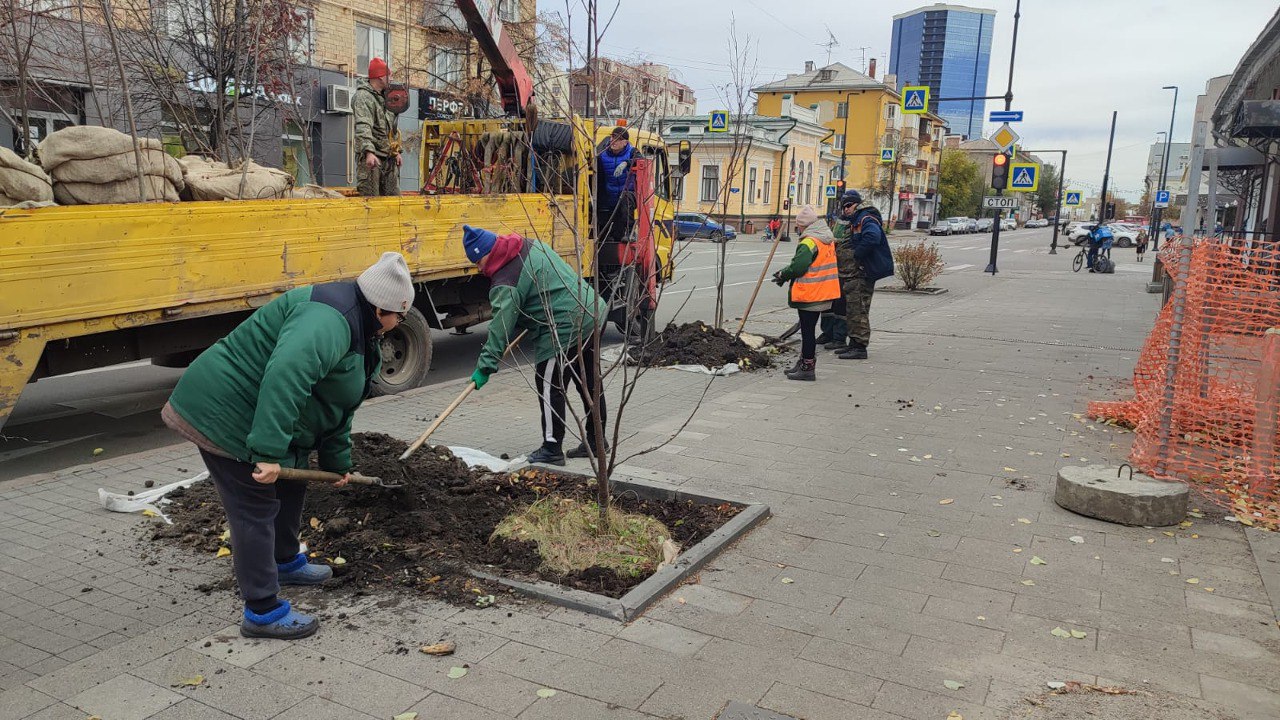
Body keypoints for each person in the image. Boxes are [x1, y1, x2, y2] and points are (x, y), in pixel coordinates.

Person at [162, 252, 415, 640]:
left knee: (292, 479)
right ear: (381, 307)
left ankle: (284, 561)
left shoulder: (362, 329)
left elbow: (338, 401)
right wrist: (265, 453)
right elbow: (285, 378)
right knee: (254, 504)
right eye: (398, 315)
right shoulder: (327, 321)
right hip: (223, 410)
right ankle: (262, 610)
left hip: (259, 413)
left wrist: (337, 463)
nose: (399, 323)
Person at [464, 225, 608, 465]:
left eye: (478, 261)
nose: (480, 269)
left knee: (549, 383)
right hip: (592, 310)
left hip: (564, 326)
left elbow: (500, 330)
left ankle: (552, 449)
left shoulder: (505, 282)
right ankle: (597, 441)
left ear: (487, 251)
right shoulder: (530, 245)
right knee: (589, 381)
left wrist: (485, 367)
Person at [771, 206, 841, 381]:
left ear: (802, 226)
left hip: (811, 294)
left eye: (798, 226)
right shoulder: (826, 238)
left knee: (807, 332)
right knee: (807, 329)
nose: (797, 229)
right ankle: (802, 363)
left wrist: (783, 274)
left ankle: (807, 368)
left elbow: (798, 266)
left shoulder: (810, 242)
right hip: (824, 292)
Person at [833, 190, 894, 360]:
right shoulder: (857, 220)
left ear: (856, 204)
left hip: (861, 275)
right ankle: (853, 343)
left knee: (858, 310)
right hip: (855, 275)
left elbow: (872, 238)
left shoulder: (865, 219)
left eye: (849, 205)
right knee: (853, 310)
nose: (846, 209)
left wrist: (856, 255)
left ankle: (860, 347)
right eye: (843, 206)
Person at [353, 57, 401, 197]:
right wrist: (369, 152)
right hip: (373, 160)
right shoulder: (363, 97)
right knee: (372, 203)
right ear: (380, 77)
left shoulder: (384, 99)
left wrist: (396, 151)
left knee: (394, 203)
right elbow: (363, 126)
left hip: (388, 159)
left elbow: (391, 129)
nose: (391, 78)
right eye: (389, 75)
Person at [596, 126, 636, 244]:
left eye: (618, 139)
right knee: (600, 203)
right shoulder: (603, 154)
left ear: (625, 142)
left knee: (626, 199)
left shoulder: (632, 152)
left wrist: (626, 163)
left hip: (628, 194)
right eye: (613, 137)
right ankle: (604, 234)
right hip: (611, 195)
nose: (613, 141)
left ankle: (630, 231)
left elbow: (641, 161)